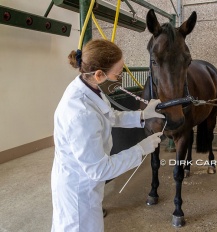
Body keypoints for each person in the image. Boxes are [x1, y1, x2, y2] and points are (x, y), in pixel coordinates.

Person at [51, 39, 165, 232]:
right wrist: (140, 149)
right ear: (99, 74)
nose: (120, 75)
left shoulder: (90, 88)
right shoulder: (80, 113)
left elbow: (109, 116)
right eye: (118, 72)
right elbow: (99, 170)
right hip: (78, 189)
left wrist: (143, 115)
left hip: (86, 182)